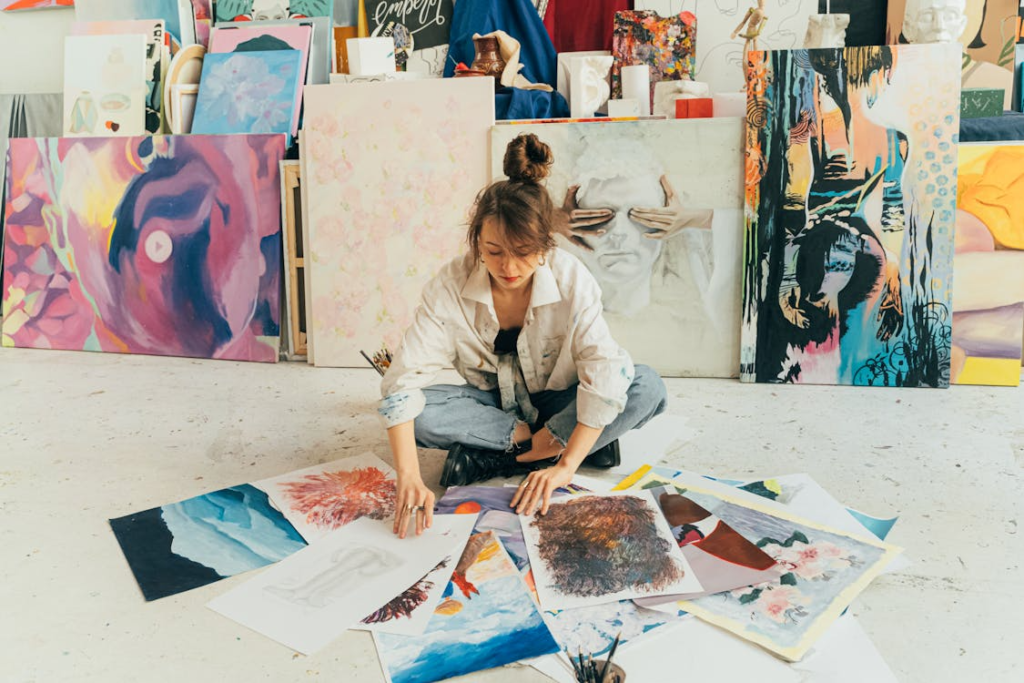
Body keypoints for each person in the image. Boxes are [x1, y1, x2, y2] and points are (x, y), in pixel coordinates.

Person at [380, 134, 668, 538]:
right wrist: (409, 476)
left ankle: (519, 455)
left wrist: (565, 470)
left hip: (561, 400)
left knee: (645, 385)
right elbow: (401, 382)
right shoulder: (449, 284)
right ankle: (576, 443)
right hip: (496, 408)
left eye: (523, 251)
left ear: (545, 245)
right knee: (422, 413)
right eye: (494, 251)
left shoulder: (572, 279)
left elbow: (604, 374)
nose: (509, 266)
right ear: (477, 241)